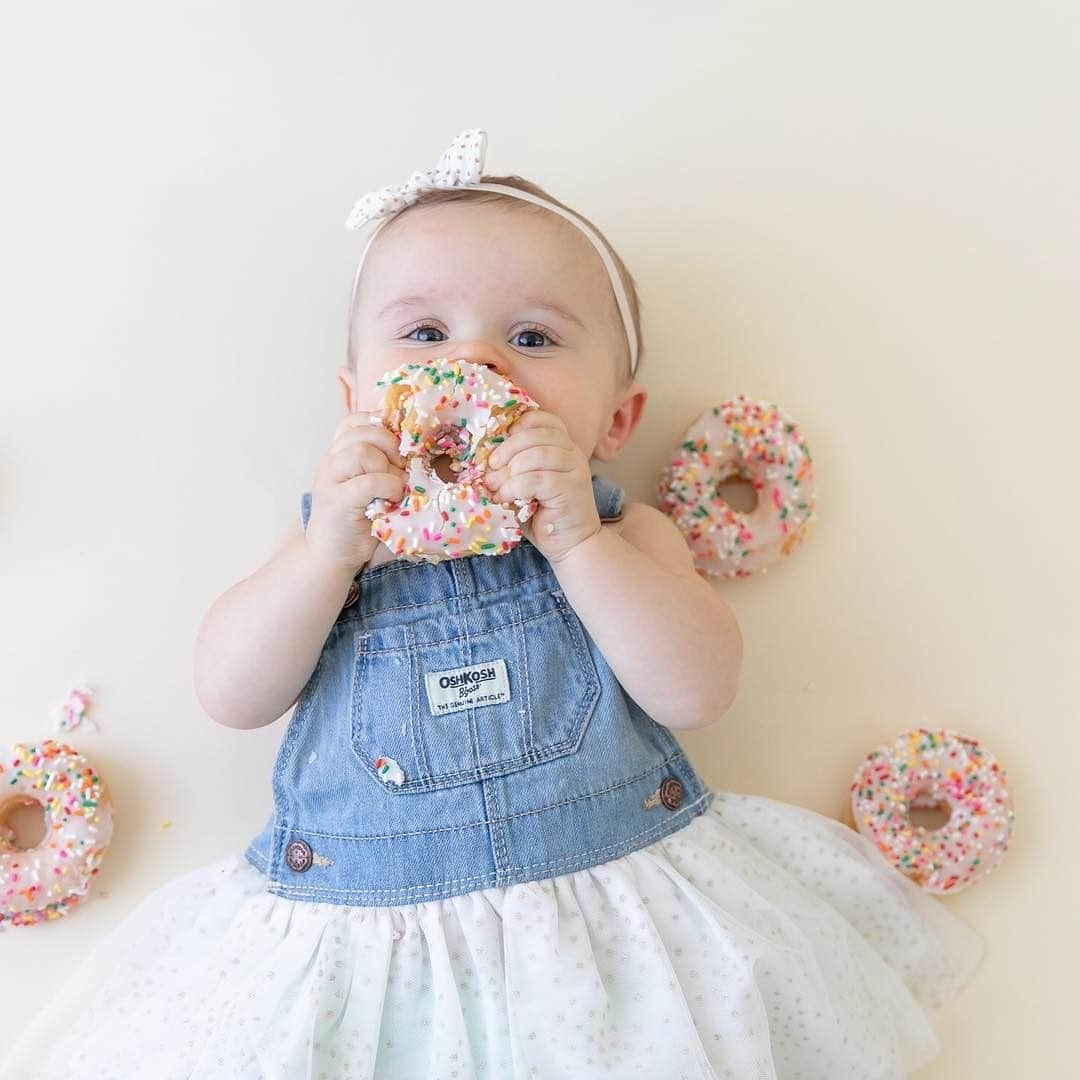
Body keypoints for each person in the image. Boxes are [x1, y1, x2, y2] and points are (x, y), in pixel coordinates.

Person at [0, 129, 982, 1080]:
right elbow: (230, 690)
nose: (474, 365)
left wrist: (578, 542)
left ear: (615, 419)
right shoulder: (335, 546)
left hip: (613, 941)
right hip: (373, 943)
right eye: (424, 332)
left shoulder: (620, 535)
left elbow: (698, 690)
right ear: (356, 398)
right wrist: (325, 555)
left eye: (533, 336)